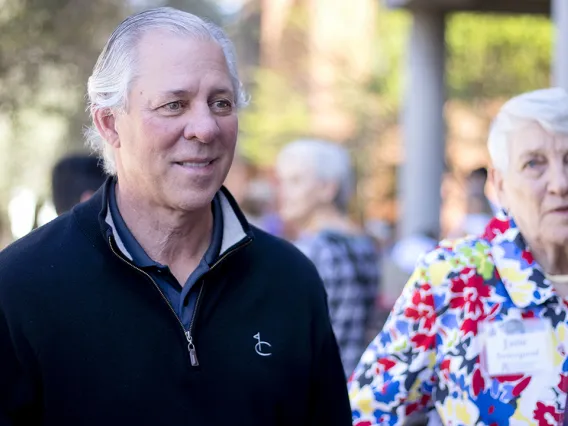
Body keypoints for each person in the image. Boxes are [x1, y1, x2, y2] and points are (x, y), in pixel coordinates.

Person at [0, 8, 351, 425]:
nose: (205, 128)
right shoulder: (21, 286)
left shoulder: (290, 280)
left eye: (221, 103)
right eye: (174, 104)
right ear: (109, 123)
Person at [349, 87, 568, 425]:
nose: (559, 183)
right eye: (534, 163)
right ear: (501, 185)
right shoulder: (454, 277)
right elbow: (366, 410)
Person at [276, 138, 380, 375]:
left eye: (295, 181)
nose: (283, 192)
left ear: (328, 188)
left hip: (314, 390)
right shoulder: (363, 244)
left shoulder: (308, 251)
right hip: (355, 383)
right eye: (282, 181)